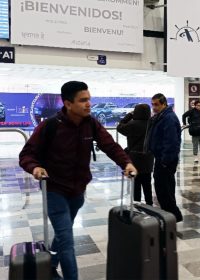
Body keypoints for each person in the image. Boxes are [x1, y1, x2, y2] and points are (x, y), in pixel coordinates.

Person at [19, 81, 137, 280]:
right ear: (67, 103)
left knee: (63, 234)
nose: (88, 104)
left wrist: (126, 163)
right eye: (83, 100)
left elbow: (110, 146)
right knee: (67, 240)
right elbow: (26, 155)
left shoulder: (91, 123)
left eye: (89, 99)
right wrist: (35, 167)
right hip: (54, 189)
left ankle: (50, 266)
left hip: (78, 191)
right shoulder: (49, 126)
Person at [145, 93, 183, 222]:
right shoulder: (160, 117)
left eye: (156, 104)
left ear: (164, 104)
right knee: (164, 189)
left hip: (165, 160)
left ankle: (173, 216)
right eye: (152, 104)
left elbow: (171, 142)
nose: (154, 107)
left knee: (164, 190)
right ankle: (171, 216)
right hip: (161, 158)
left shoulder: (169, 118)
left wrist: (165, 161)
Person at [117, 104, 154, 206]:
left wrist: (129, 115)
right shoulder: (151, 124)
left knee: (135, 183)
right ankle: (149, 204)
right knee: (147, 183)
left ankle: (136, 205)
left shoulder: (132, 124)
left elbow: (119, 127)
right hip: (148, 158)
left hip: (133, 160)